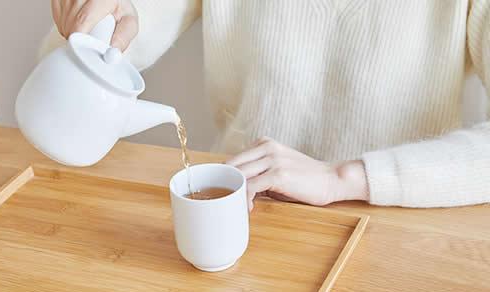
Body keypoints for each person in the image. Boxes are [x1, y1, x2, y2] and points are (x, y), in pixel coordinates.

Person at [42, 0, 490, 209]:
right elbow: (84, 61)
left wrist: (344, 178)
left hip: (399, 227)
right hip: (247, 218)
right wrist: (93, 29)